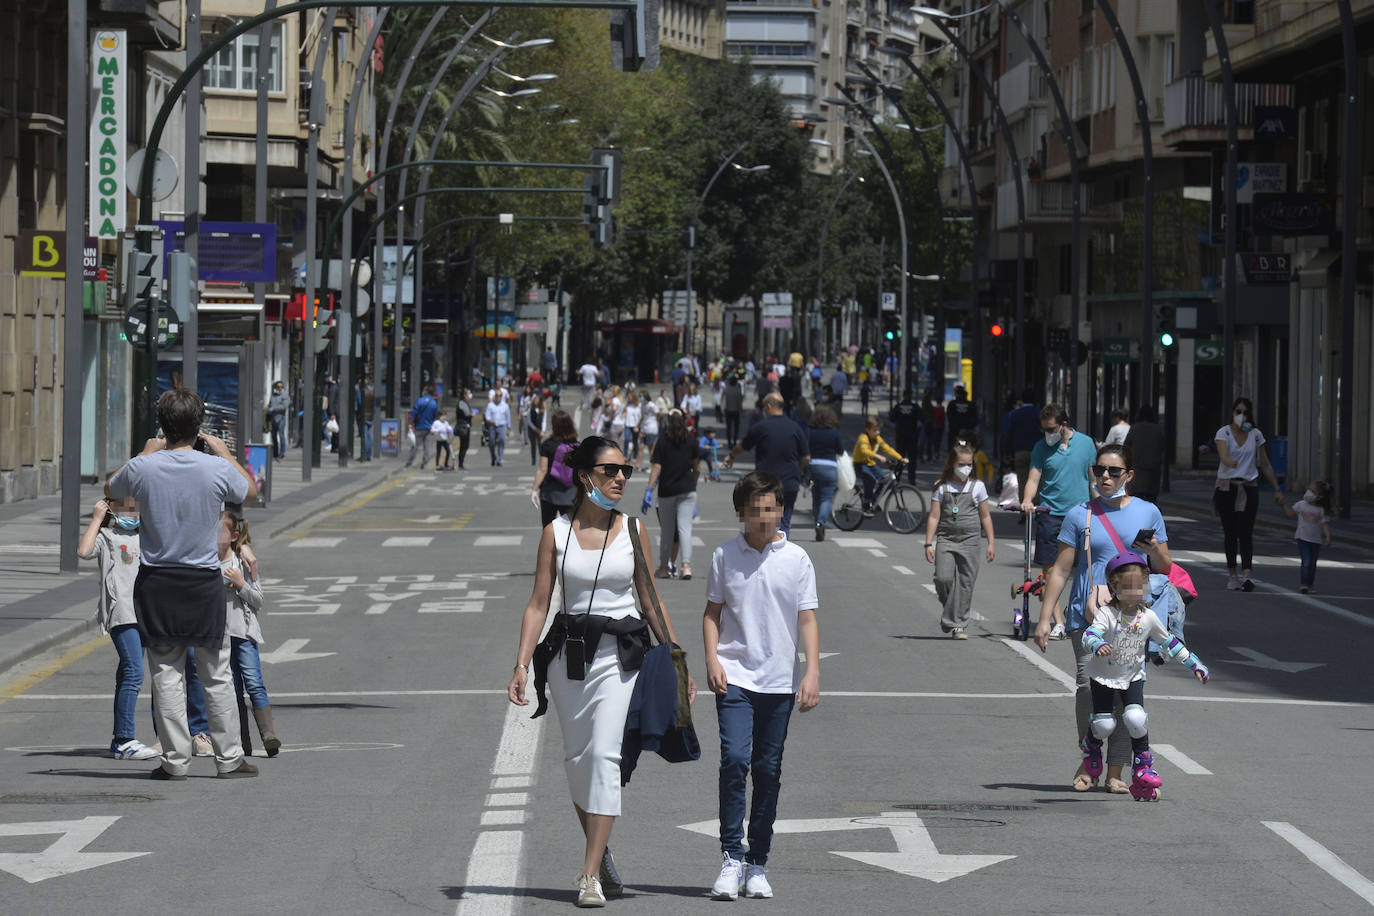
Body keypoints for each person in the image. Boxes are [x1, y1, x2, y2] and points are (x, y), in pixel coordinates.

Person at [507, 437, 696, 907]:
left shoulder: (633, 529)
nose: (619, 479)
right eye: (610, 470)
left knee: (606, 756)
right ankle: (602, 849)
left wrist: (676, 657)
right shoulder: (555, 532)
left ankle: (589, 874)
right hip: (569, 658)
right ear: (585, 475)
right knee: (578, 761)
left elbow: (651, 597)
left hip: (621, 657)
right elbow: (537, 604)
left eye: (625, 471)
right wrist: (522, 663)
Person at [105, 388, 259, 779]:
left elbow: (113, 490)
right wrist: (223, 452)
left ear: (163, 427)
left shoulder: (145, 467)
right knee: (217, 673)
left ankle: (174, 761)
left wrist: (146, 451)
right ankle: (229, 758)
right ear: (199, 427)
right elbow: (249, 491)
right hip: (204, 581)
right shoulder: (215, 469)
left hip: (157, 581)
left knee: (165, 673)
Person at [704, 471, 820, 901]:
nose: (765, 518)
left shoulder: (797, 559)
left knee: (768, 770)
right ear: (741, 513)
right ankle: (731, 857)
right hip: (735, 676)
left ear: (781, 510)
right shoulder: (724, 556)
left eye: (771, 509)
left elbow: (806, 617)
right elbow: (712, 613)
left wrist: (812, 672)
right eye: (756, 511)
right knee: (735, 760)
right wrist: (712, 659)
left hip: (778, 682)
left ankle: (758, 864)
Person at [1032, 443, 1172, 794]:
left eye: (1113, 471)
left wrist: (1153, 548)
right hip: (1088, 614)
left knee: (1126, 695)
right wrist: (1045, 618)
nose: (1105, 477)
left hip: (1130, 617)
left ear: (1129, 475)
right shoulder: (1080, 514)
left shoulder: (1147, 512)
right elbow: (1062, 570)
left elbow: (1165, 567)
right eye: (1099, 471)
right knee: (1087, 689)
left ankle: (1115, 772)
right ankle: (1089, 757)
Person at [1080, 551, 1210, 801]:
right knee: (1105, 724)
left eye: (1139, 587)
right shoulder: (1108, 614)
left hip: (1132, 675)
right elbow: (1090, 634)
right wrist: (1097, 644)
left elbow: (1169, 642)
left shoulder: (1148, 617)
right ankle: (1092, 744)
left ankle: (1143, 765)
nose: (1134, 592)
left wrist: (1195, 664)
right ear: (1114, 587)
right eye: (1127, 587)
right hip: (1104, 676)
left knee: (1136, 718)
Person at [77, 493, 159, 760]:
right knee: (135, 672)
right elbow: (83, 551)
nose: (131, 512)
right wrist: (97, 519)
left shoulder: (145, 537)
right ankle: (124, 739)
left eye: (135, 507)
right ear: (109, 506)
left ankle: (120, 739)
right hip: (121, 614)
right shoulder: (107, 538)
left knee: (127, 674)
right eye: (124, 506)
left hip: (143, 615)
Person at [1020, 404, 1097, 640]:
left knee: (1086, 569)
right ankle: (1059, 622)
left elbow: (1094, 479)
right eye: (1044, 429)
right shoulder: (1041, 448)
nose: (1048, 434)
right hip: (1051, 514)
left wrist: (1103, 508)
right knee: (1051, 570)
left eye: (1051, 429)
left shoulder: (1086, 444)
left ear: (1064, 425)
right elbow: (1034, 478)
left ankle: (1083, 614)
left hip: (1081, 514)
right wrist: (1026, 499)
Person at [218, 510, 280, 758]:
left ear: (234, 536)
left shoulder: (243, 563)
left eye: (220, 532)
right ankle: (241, 741)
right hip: (220, 637)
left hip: (243, 634)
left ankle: (268, 735)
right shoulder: (207, 562)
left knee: (254, 683)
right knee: (231, 689)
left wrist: (240, 584)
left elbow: (258, 600)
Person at [923, 444, 996, 639]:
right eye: (961, 464)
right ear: (952, 464)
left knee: (965, 583)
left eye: (969, 464)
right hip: (947, 538)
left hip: (970, 539)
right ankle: (951, 613)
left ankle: (958, 625)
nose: (966, 468)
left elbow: (986, 516)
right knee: (943, 578)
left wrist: (991, 542)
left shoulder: (978, 487)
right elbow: (934, 517)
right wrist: (928, 543)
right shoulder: (941, 486)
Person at [1213, 397, 1284, 591]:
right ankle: (1232, 575)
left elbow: (1265, 463)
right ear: (1232, 413)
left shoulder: (1256, 434)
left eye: (1244, 412)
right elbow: (1223, 455)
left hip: (1249, 487)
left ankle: (1247, 575)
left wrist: (1277, 488)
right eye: (1237, 411)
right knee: (1230, 532)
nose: (1241, 415)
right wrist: (1229, 462)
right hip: (1227, 488)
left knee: (1246, 532)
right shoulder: (1224, 432)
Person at [722, 393, 811, 536]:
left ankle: (763, 554)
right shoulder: (795, 428)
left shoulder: (761, 427)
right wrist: (797, 469)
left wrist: (731, 456)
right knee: (784, 522)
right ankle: (781, 551)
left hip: (765, 484)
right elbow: (806, 457)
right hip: (790, 482)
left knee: (762, 521)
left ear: (768, 406)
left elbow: (743, 446)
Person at [646, 411, 705, 580]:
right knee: (685, 528)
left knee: (667, 530)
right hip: (687, 490)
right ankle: (686, 566)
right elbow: (698, 468)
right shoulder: (691, 440)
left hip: (667, 490)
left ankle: (664, 567)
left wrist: (649, 489)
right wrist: (693, 484)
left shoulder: (663, 441)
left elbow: (656, 467)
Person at [1280, 479, 1334, 593]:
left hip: (1316, 540)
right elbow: (1290, 513)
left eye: (1312, 491)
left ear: (1319, 496)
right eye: (1308, 489)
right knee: (1306, 561)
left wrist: (1328, 537)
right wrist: (1282, 505)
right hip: (1302, 538)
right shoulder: (1301, 505)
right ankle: (1304, 584)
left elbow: (1324, 524)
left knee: (1313, 564)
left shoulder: (1321, 510)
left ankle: (1310, 584)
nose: (1308, 492)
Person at [530, 410, 580, 527]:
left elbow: (542, 470)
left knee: (549, 529)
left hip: (549, 493)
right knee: (570, 531)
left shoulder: (548, 445)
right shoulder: (577, 446)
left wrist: (534, 489)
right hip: (571, 494)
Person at [853, 415, 905, 517]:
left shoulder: (878, 439)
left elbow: (887, 449)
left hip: (870, 464)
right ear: (867, 430)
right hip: (860, 464)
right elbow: (864, 450)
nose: (878, 433)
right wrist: (878, 456)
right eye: (875, 430)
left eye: (878, 430)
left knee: (887, 481)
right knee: (870, 479)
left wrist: (900, 458)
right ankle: (866, 504)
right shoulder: (863, 438)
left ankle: (873, 500)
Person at [806, 405, 843, 542]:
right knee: (827, 498)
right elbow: (840, 451)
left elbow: (805, 448)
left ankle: (817, 522)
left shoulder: (810, 432)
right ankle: (820, 523)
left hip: (814, 466)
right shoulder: (834, 433)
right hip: (830, 466)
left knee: (816, 497)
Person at [1002, 390, 1040, 498]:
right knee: (1037, 479)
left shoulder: (1015, 414)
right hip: (1037, 452)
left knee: (1022, 479)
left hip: (1020, 451)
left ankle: (1024, 505)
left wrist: (1007, 453)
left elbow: (1009, 434)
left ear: (1022, 400)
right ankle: (1035, 504)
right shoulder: (1039, 413)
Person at [1122, 406, 1165, 502]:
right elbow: (1164, 447)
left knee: (1136, 498)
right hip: (1153, 469)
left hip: (1137, 468)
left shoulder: (1134, 428)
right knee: (1151, 498)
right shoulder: (1158, 429)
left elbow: (1126, 447)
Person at [890, 390, 921, 484]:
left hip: (900, 436)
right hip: (912, 436)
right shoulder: (915, 407)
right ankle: (911, 479)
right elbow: (922, 418)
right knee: (912, 459)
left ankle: (897, 477)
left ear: (903, 396)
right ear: (911, 396)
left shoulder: (898, 406)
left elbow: (892, 418)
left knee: (899, 457)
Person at [405, 384, 439, 469]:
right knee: (427, 447)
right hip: (428, 428)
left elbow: (414, 414)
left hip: (419, 427)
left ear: (426, 391)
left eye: (424, 390)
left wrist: (410, 425)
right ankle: (425, 463)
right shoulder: (434, 403)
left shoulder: (420, 401)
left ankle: (409, 463)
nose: (423, 391)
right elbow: (435, 415)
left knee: (414, 446)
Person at [485, 387, 512, 466]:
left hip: (502, 426)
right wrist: (490, 420)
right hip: (493, 426)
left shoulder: (505, 406)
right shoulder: (490, 405)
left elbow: (508, 417)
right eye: (497, 395)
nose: (498, 397)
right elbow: (487, 415)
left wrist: (508, 428)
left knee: (501, 441)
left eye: (500, 395)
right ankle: (493, 457)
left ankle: (499, 459)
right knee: (492, 443)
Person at [946, 384, 977, 449]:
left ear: (956, 393)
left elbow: (949, 418)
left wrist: (957, 428)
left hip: (955, 433)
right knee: (966, 447)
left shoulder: (952, 404)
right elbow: (975, 418)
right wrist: (967, 427)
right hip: (967, 432)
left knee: (955, 448)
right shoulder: (971, 404)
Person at [266, 381, 290, 460]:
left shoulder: (285, 395)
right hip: (273, 419)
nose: (279, 388)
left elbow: (284, 406)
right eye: (278, 387)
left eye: (281, 387)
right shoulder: (273, 395)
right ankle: (275, 453)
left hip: (281, 419)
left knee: (281, 436)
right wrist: (269, 410)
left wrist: (274, 409)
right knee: (274, 436)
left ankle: (282, 453)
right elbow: (270, 404)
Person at [637, 392, 660, 473]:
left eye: (641, 396)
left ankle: (653, 466)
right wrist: (638, 425)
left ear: (646, 396)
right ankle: (638, 465)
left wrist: (655, 421)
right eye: (639, 396)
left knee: (651, 449)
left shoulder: (651, 405)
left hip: (651, 429)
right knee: (641, 447)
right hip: (644, 429)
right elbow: (642, 416)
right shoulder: (642, 405)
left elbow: (659, 413)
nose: (640, 398)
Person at [355, 375, 375, 461]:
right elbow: (373, 406)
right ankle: (369, 454)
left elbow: (359, 403)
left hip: (363, 416)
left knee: (365, 436)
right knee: (369, 435)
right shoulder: (371, 392)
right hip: (370, 415)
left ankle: (365, 454)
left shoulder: (361, 392)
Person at [722, 375, 744, 449]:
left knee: (729, 428)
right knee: (736, 427)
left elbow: (723, 400)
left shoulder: (726, 389)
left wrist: (722, 409)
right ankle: (734, 441)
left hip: (728, 410)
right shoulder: (738, 390)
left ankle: (729, 443)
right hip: (736, 411)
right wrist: (741, 410)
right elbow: (739, 402)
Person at [454, 389, 475, 471]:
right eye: (468, 394)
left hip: (466, 426)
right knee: (464, 445)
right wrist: (471, 414)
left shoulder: (465, 403)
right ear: (464, 395)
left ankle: (461, 463)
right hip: (463, 426)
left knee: (465, 445)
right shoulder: (462, 403)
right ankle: (461, 464)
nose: (470, 395)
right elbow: (466, 414)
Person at [525, 394, 545, 468]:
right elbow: (529, 421)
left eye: (537, 399)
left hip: (539, 429)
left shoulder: (542, 409)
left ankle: (542, 460)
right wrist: (535, 429)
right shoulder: (530, 409)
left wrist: (542, 430)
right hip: (532, 429)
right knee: (533, 444)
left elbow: (544, 420)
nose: (536, 401)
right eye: (535, 399)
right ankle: (533, 460)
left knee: (540, 444)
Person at [622, 391, 641, 462]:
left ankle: (635, 456)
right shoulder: (627, 405)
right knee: (626, 439)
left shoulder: (638, 406)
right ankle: (625, 455)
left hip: (635, 425)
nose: (628, 398)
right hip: (628, 425)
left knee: (635, 441)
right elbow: (624, 413)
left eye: (629, 397)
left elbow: (640, 417)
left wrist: (637, 426)